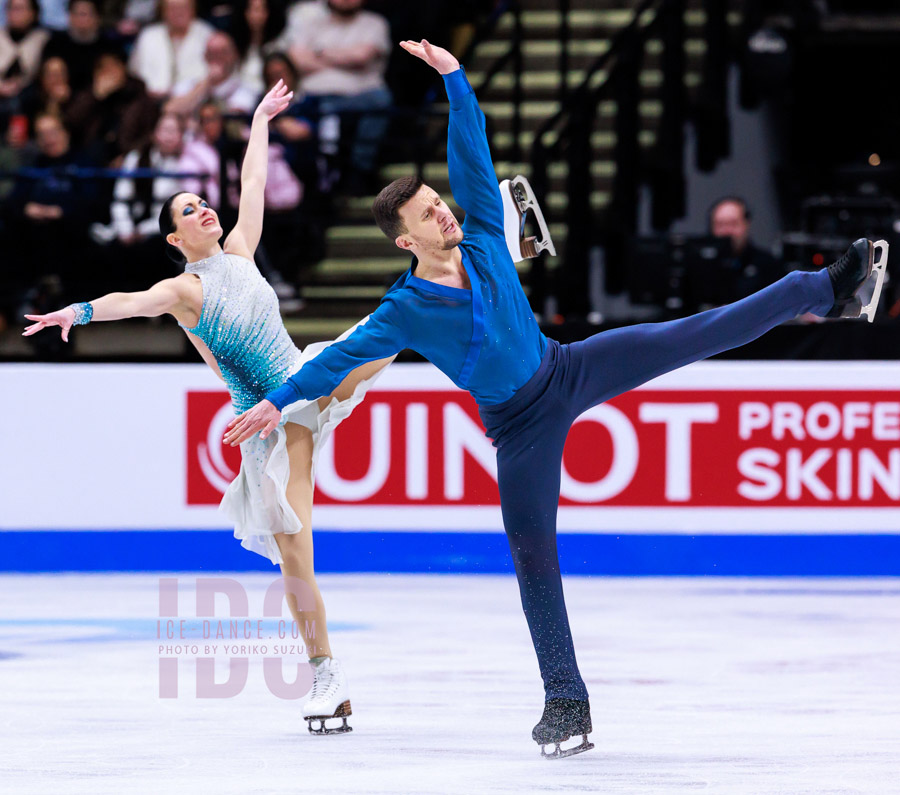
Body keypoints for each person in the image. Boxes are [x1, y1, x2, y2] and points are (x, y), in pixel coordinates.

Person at [224, 40, 883, 758]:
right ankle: (566, 702)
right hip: (519, 428)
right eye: (427, 213)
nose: (443, 213)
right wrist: (277, 400)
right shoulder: (402, 310)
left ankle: (828, 288)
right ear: (402, 238)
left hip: (566, 368)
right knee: (533, 554)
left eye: (439, 202)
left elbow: (471, 151)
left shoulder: (479, 234)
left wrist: (454, 78)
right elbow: (338, 362)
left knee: (693, 333)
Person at [21, 80, 393, 735]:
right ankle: (325, 674)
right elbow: (126, 301)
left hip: (305, 380)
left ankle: (479, 261)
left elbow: (252, 185)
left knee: (388, 329)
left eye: (201, 202)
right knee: (297, 553)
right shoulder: (183, 289)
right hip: (267, 427)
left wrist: (256, 122)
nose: (203, 211)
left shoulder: (243, 252)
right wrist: (74, 312)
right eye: (189, 210)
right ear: (174, 235)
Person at [283, 0, 391, 193]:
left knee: (381, 101)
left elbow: (362, 57)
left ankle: (359, 170)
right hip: (316, 98)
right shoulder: (311, 23)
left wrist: (319, 53)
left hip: (363, 95)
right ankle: (320, 184)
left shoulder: (374, 23)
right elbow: (296, 60)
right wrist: (347, 62)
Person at [128, 0, 214, 100]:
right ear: (163, 12)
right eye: (172, 8)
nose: (178, 13)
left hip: (196, 99)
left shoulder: (207, 35)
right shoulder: (148, 36)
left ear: (193, 10)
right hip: (151, 100)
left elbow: (216, 74)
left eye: (183, 8)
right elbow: (134, 72)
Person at [707, 195, 785, 303]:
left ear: (746, 224)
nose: (726, 231)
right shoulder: (700, 269)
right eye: (720, 225)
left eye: (733, 224)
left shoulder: (768, 265)